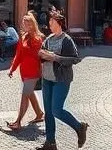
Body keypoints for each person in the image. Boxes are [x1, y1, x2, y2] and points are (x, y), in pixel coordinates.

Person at [36, 10, 88, 150]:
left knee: (56, 110)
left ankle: (79, 127)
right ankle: (50, 143)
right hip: (47, 78)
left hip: (61, 79)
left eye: (51, 22)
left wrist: (56, 57)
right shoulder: (49, 38)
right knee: (48, 111)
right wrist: (41, 54)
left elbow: (75, 59)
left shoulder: (67, 40)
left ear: (58, 23)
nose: (49, 24)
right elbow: (41, 54)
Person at [6, 12, 45, 131]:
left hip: (33, 72)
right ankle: (39, 114)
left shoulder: (37, 38)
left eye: (29, 23)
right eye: (25, 22)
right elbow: (18, 55)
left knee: (25, 96)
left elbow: (39, 55)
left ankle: (18, 122)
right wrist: (12, 68)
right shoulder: (23, 37)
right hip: (24, 72)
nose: (26, 25)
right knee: (30, 93)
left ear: (33, 24)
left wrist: (31, 44)